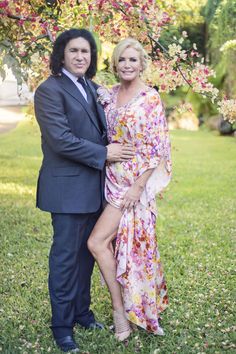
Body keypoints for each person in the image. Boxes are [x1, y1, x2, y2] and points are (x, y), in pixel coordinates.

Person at [34, 29, 134, 353]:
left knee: (86, 258)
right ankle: (62, 327)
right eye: (74, 51)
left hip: (96, 189)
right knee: (65, 260)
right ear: (61, 54)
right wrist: (105, 153)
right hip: (66, 192)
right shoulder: (49, 91)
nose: (80, 56)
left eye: (86, 52)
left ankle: (81, 313)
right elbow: (60, 140)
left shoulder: (92, 88)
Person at [88, 38, 172, 341]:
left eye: (133, 60)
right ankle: (128, 306)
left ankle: (120, 312)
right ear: (115, 63)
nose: (127, 65)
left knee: (99, 242)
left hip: (132, 186)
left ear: (141, 64)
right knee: (117, 245)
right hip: (110, 178)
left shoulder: (149, 98)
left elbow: (156, 147)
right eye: (122, 59)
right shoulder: (109, 95)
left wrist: (138, 187)